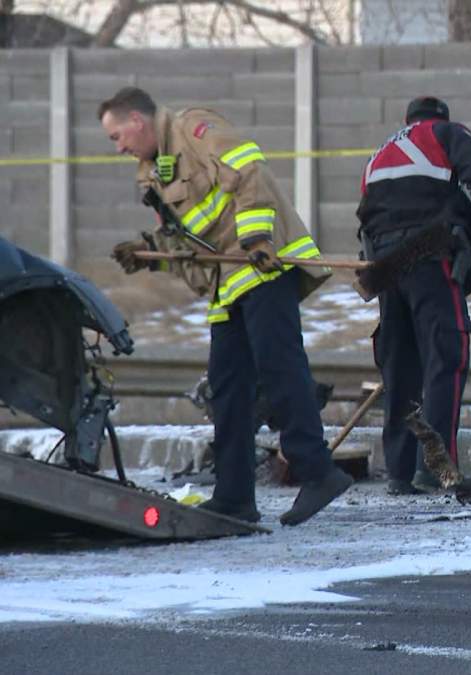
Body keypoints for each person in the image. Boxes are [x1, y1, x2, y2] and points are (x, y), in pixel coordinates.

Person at [100, 87, 352, 525]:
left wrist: (257, 237)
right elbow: (190, 243)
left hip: (262, 267)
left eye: (116, 135)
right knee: (227, 390)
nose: (117, 147)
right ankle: (235, 497)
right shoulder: (152, 175)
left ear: (137, 122)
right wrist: (149, 252)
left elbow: (247, 170)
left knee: (279, 369)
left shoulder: (194, 128)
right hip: (226, 285)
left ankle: (319, 474)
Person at [356, 96, 471, 495]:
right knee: (446, 355)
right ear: (441, 117)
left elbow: (365, 214)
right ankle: (437, 468)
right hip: (429, 253)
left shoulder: (381, 152)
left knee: (400, 366)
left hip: (384, 265)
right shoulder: (447, 134)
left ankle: (400, 473)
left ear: (407, 120)